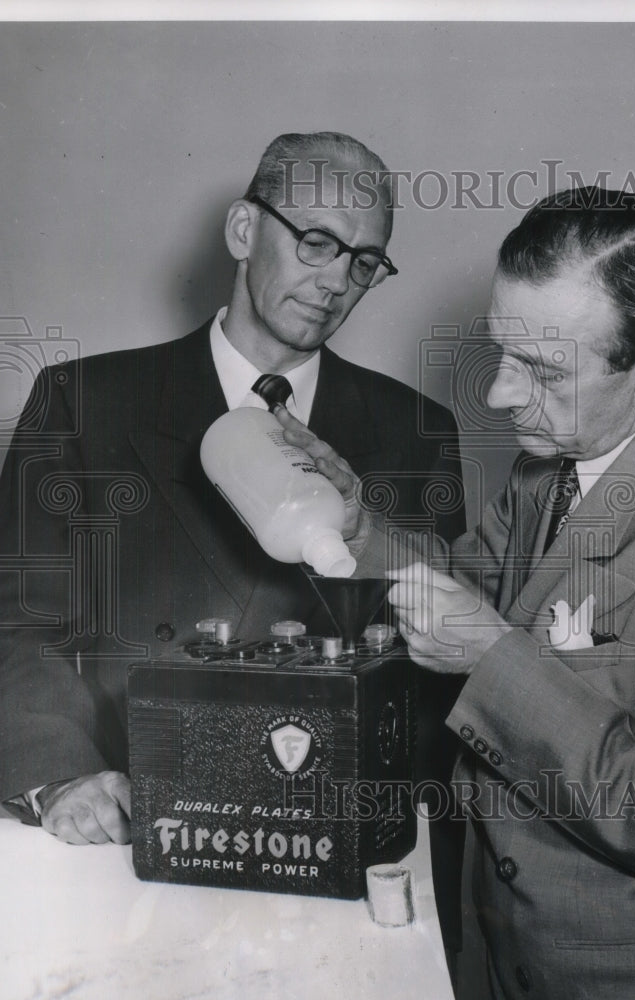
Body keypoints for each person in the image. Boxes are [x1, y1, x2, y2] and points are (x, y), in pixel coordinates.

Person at [280, 187, 635, 1000]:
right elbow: (459, 587)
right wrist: (354, 522)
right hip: (505, 949)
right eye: (499, 354)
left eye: (542, 370)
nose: (502, 395)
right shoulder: (550, 466)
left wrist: (496, 657)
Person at [0, 130, 465, 902]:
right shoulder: (83, 405)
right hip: (131, 827)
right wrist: (60, 774)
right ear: (243, 230)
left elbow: (436, 654)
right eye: (316, 242)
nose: (335, 282)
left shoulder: (417, 430)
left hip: (333, 840)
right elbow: (18, 625)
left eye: (362, 262)